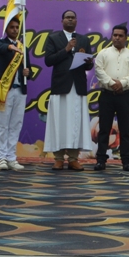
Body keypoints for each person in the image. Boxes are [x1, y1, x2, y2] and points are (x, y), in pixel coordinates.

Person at [43, 10, 93, 170]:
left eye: (73, 18)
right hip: (60, 85)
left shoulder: (84, 39)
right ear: (62, 20)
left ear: (76, 21)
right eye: (67, 18)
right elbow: (48, 60)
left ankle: (73, 158)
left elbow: (89, 66)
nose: (70, 20)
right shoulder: (53, 38)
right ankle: (58, 158)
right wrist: (66, 49)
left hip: (77, 86)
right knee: (59, 122)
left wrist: (87, 60)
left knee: (76, 122)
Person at [93, 24, 129, 171]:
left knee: (125, 129)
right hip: (107, 95)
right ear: (111, 36)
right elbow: (98, 70)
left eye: (120, 36)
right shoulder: (103, 53)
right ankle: (101, 160)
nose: (117, 38)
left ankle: (126, 160)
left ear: (126, 38)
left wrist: (122, 83)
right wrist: (112, 83)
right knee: (104, 129)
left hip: (124, 96)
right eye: (115, 35)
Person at [0, 15, 31, 171]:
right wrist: (11, 47)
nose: (15, 30)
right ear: (6, 29)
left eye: (17, 27)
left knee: (16, 125)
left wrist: (28, 73)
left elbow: (28, 70)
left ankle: (11, 157)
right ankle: (2, 157)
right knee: (3, 125)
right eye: (12, 27)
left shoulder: (23, 47)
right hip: (5, 90)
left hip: (20, 90)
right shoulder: (0, 43)